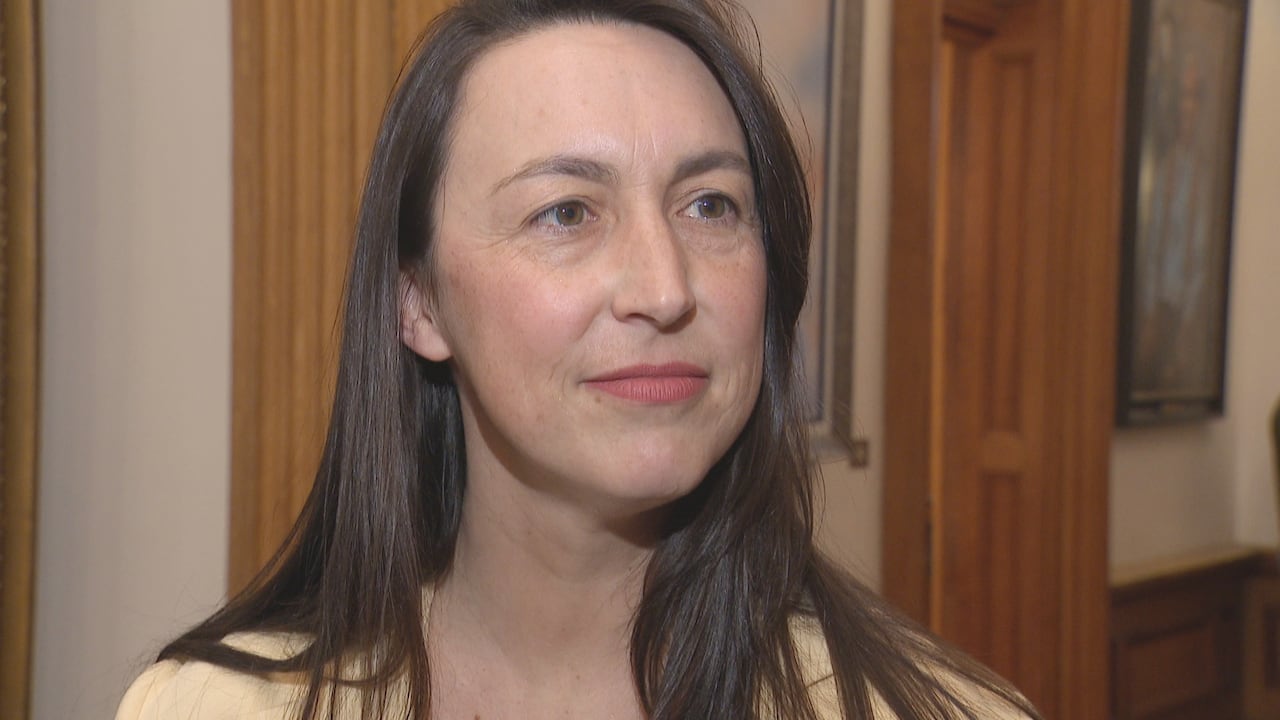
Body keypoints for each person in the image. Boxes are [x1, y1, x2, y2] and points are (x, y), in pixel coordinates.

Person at [118, 0, 1040, 718]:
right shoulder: (211, 708)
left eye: (710, 205)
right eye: (567, 212)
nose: (664, 286)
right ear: (419, 301)